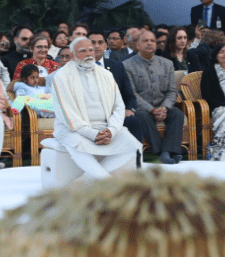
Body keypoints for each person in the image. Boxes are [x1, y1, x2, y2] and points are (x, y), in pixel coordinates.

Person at [52, 38, 143, 178]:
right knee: (76, 144)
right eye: (82, 51)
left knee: (131, 145)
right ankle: (106, 180)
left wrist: (111, 131)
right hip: (74, 129)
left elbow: (119, 106)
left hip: (105, 127)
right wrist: (92, 134)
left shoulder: (106, 74)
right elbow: (65, 112)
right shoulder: (62, 76)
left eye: (90, 50)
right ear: (72, 55)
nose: (88, 54)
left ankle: (87, 180)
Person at [124, 29, 184, 164]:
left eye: (152, 41)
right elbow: (132, 94)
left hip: (163, 107)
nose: (150, 43)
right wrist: (152, 110)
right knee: (140, 116)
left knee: (177, 114)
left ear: (156, 45)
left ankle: (166, 152)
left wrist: (164, 108)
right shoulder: (127, 65)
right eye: (145, 41)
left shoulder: (167, 64)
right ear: (137, 45)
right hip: (142, 109)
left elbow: (172, 91)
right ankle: (163, 151)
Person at [88, 31, 144, 163]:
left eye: (100, 42)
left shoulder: (117, 67)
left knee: (134, 122)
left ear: (106, 46)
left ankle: (135, 166)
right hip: (90, 117)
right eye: (92, 43)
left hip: (115, 116)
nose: (96, 46)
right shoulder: (77, 68)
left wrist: (130, 109)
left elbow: (129, 95)